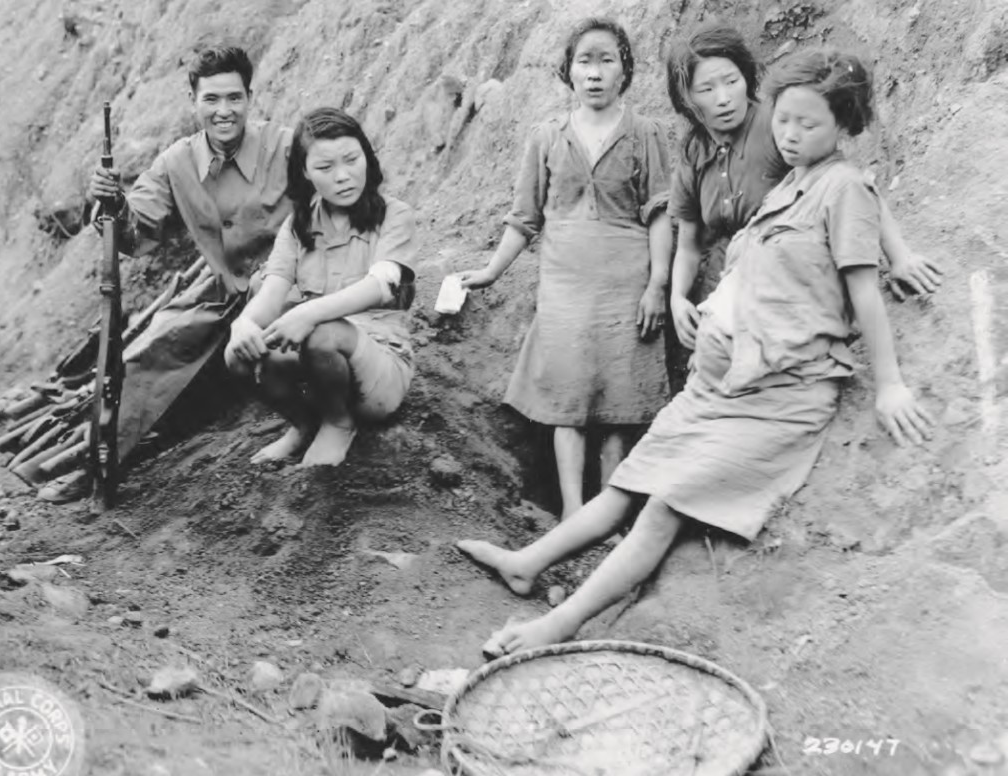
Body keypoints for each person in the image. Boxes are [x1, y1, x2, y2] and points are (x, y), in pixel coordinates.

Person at [458, 48, 934, 656]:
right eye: (783, 120)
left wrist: (890, 381)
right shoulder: (792, 180)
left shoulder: (840, 188)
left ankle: (556, 627)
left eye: (808, 124)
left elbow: (864, 291)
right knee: (626, 486)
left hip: (779, 396)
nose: (788, 135)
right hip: (719, 388)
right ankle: (526, 564)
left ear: (845, 126)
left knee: (661, 507)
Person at [39, 45, 293, 503]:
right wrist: (112, 204)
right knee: (148, 354)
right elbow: (136, 234)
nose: (224, 111)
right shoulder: (176, 162)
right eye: (211, 99)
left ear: (250, 98)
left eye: (234, 98)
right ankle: (99, 463)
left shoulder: (287, 146)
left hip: (291, 289)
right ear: (193, 101)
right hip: (223, 296)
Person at [459, 18, 673, 518]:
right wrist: (491, 270)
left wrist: (658, 286)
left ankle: (609, 518)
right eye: (585, 61)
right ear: (568, 72)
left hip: (626, 290)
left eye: (607, 60)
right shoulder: (546, 137)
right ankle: (573, 515)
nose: (595, 73)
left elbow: (661, 214)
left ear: (625, 71)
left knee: (620, 409)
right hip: (565, 292)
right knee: (568, 406)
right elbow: (525, 218)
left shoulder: (646, 135)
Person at [663, 24, 943, 358]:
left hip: (792, 284)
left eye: (732, 81)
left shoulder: (778, 124)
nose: (723, 98)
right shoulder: (694, 151)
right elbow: (689, 246)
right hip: (731, 290)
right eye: (706, 88)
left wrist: (899, 256)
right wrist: (678, 299)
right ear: (685, 97)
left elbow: (847, 183)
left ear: (747, 76)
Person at [224, 108, 417, 467]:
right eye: (326, 168)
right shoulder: (297, 228)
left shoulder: (394, 215)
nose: (343, 176)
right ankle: (302, 424)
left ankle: (338, 424)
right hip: (319, 369)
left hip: (380, 370)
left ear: (367, 157)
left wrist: (308, 312)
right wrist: (243, 325)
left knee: (321, 330)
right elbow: (270, 294)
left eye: (351, 160)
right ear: (305, 173)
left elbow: (384, 285)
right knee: (239, 354)